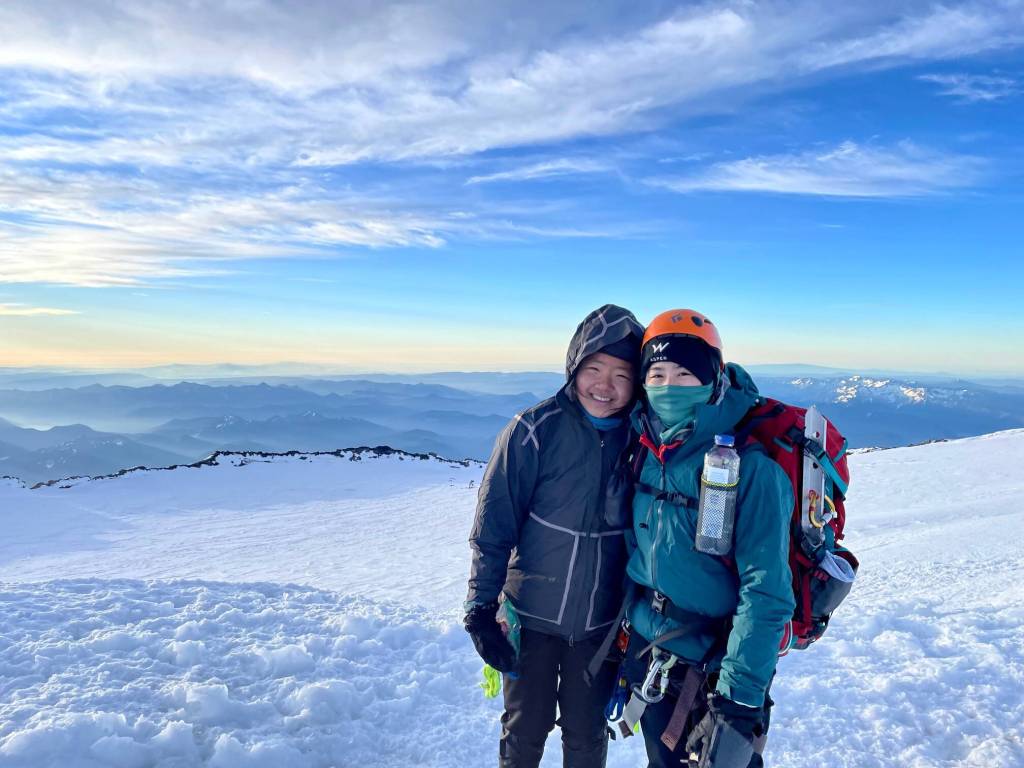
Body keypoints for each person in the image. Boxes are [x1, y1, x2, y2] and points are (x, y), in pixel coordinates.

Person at [465, 304, 645, 768]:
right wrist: (481, 609)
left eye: (621, 374)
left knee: (587, 739)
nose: (604, 386)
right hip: (531, 620)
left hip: (601, 631)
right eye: (593, 369)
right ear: (574, 366)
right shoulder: (532, 431)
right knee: (525, 731)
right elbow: (493, 527)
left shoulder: (644, 440)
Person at [624, 308, 794, 768]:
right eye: (656, 373)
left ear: (714, 379)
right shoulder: (641, 451)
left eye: (685, 373)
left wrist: (738, 697)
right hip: (649, 652)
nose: (668, 386)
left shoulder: (751, 470)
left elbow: (767, 590)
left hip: (715, 669)